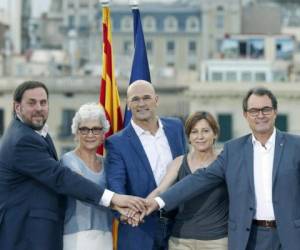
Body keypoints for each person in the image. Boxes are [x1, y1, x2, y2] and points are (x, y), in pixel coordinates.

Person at [146, 86, 300, 250]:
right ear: (246, 115)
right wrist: (158, 201)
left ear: (275, 112)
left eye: (266, 109)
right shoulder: (233, 150)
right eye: (254, 110)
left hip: (290, 236)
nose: (260, 115)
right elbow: (200, 179)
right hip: (248, 238)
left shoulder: (296, 146)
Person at [0, 81, 145, 250]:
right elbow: (60, 177)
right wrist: (114, 199)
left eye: (43, 102)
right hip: (26, 235)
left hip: (43, 233)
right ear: (17, 107)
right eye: (31, 103)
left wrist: (125, 210)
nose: (39, 108)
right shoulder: (22, 139)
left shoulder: (35, 134)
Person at [105, 80, 186, 250]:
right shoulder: (116, 143)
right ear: (128, 105)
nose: (141, 104)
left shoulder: (176, 127)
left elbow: (185, 169)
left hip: (180, 229)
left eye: (146, 98)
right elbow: (115, 184)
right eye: (135, 99)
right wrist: (127, 212)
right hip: (140, 230)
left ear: (156, 100)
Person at [147, 111, 228, 250]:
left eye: (205, 131)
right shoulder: (178, 162)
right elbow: (161, 190)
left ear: (215, 134)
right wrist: (142, 206)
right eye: (194, 132)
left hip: (217, 241)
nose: (200, 137)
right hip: (180, 241)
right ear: (189, 137)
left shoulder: (225, 161)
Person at [62, 103, 113, 250]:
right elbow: (83, 188)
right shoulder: (68, 160)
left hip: (105, 236)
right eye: (84, 129)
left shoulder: (107, 164)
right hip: (76, 237)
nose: (90, 134)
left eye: (96, 129)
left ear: (103, 134)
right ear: (76, 133)